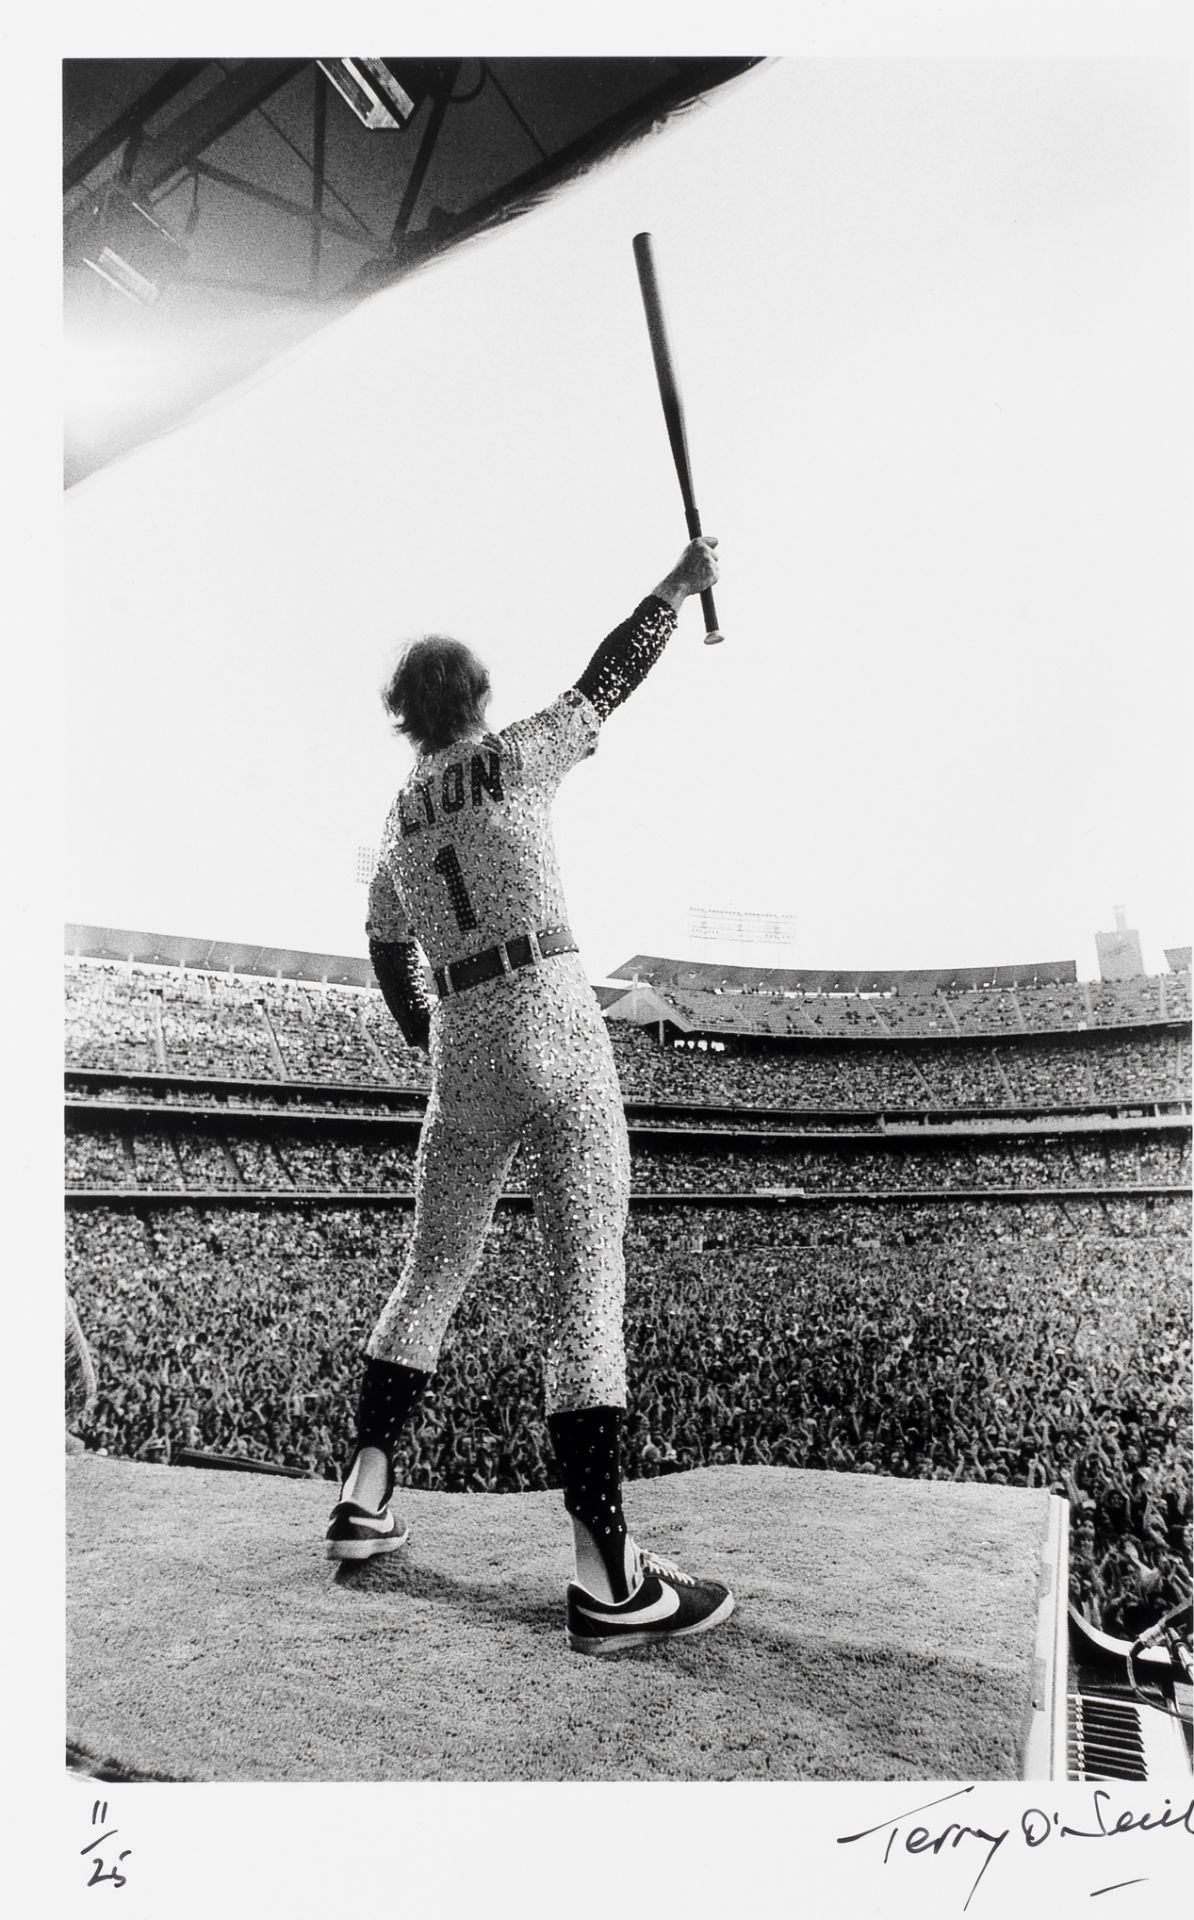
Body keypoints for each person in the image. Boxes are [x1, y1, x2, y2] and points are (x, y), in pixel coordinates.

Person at [326, 537, 735, 1655]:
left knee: (431, 1271)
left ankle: (365, 1497)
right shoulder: (514, 758)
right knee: (583, 1288)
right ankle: (610, 1577)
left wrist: (430, 1037)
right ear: (478, 699)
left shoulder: (398, 825)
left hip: (463, 1044)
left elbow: (381, 945)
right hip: (553, 1015)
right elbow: (610, 678)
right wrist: (676, 586)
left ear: (405, 719)